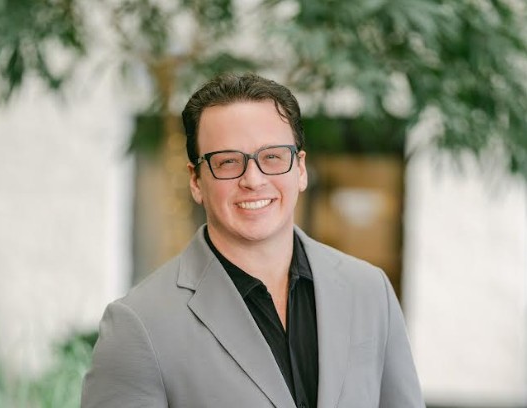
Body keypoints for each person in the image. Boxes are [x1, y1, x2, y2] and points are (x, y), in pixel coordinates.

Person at [81, 73, 425, 408]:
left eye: (272, 156)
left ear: (300, 169)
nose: (253, 179)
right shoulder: (138, 325)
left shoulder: (370, 291)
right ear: (196, 181)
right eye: (228, 162)